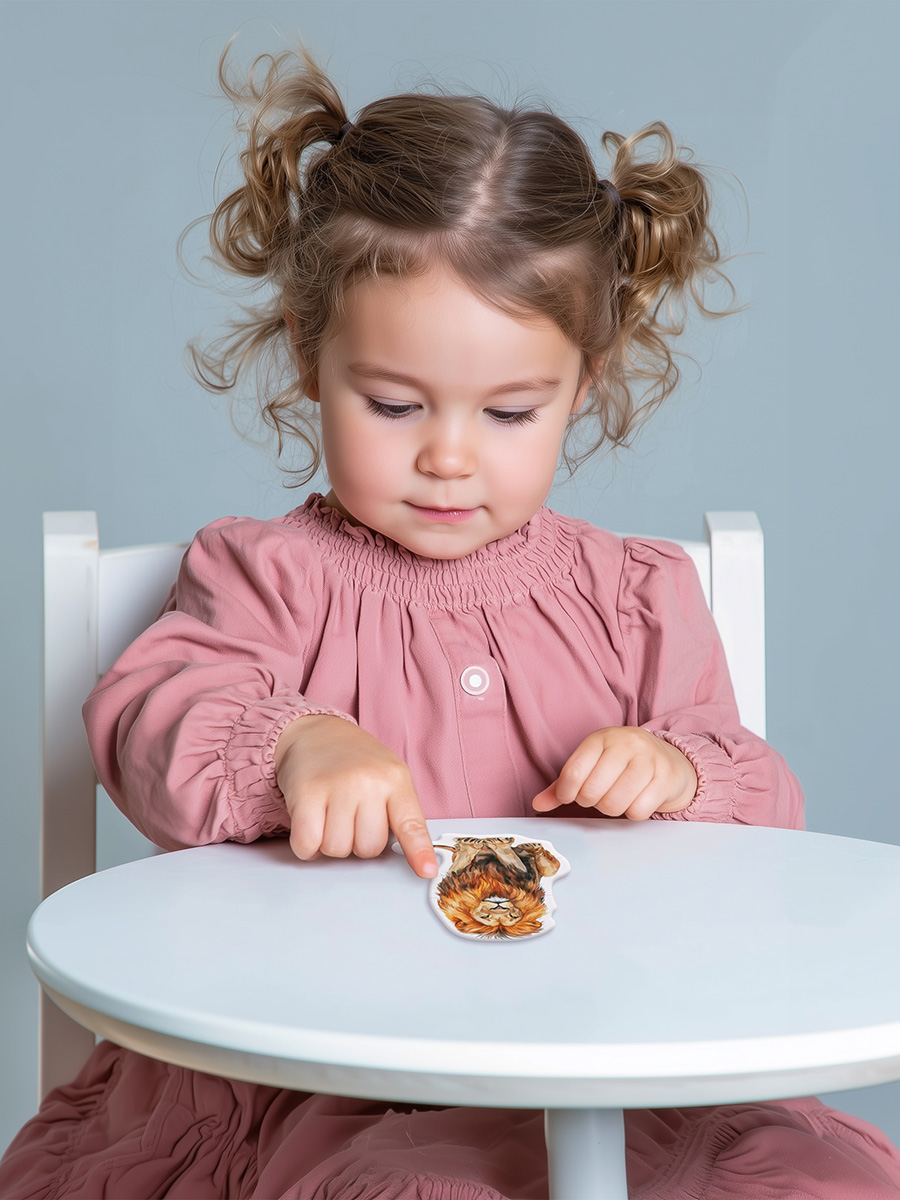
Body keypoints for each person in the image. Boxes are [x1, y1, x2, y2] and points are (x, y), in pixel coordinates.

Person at [3, 45, 900, 1200]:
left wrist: (677, 769)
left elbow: (762, 824)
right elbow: (150, 719)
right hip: (318, 1073)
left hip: (616, 1062)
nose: (447, 456)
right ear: (307, 357)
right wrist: (295, 743)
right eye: (393, 403)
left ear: (585, 385)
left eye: (510, 412)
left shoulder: (638, 595)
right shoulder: (268, 577)